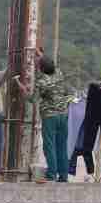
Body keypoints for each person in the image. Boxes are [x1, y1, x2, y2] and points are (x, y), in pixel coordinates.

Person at [28, 51, 71, 182]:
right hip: (63, 115)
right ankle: (63, 176)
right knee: (62, 146)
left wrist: (24, 90)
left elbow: (33, 99)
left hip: (50, 116)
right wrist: (41, 55)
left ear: (41, 68)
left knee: (49, 146)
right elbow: (50, 64)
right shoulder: (59, 73)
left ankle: (51, 174)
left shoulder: (41, 82)